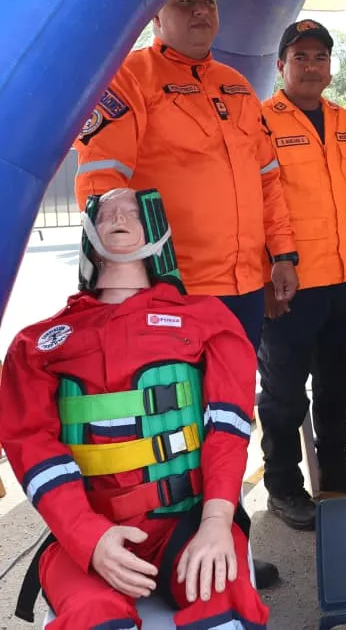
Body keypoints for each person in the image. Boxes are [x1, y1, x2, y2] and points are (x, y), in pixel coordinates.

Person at [72, 0, 294, 589]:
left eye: (209, 2)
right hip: (173, 295)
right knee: (176, 429)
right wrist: (123, 285)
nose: (201, 11)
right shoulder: (127, 80)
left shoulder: (238, 87)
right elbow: (103, 183)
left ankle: (229, 548)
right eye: (186, 0)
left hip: (243, 289)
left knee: (230, 420)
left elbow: (268, 181)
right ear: (156, 15)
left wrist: (283, 255)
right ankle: (180, 554)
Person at [2, 187, 268, 629]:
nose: (118, 216)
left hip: (187, 523)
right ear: (88, 234)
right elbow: (31, 446)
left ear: (157, 230)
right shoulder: (37, 344)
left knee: (224, 601)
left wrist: (218, 520)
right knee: (90, 614)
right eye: (105, 213)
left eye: (132, 211)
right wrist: (88, 537)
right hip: (87, 533)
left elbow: (227, 427)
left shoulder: (207, 320)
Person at [258, 19, 346, 529]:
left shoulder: (345, 120)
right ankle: (284, 486)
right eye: (301, 57)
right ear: (281, 65)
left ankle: (336, 471)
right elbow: (258, 202)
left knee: (339, 384)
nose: (312, 66)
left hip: (343, 280)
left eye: (320, 57)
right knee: (285, 393)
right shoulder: (261, 121)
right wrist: (269, 272)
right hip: (289, 284)